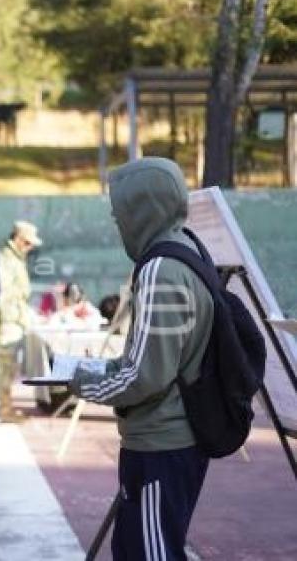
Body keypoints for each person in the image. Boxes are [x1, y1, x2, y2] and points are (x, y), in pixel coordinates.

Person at [69, 157, 214, 560]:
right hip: (175, 437)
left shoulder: (160, 270)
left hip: (161, 442)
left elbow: (143, 374)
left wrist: (83, 380)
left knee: (150, 553)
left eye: (121, 214)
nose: (118, 222)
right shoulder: (188, 249)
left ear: (142, 210)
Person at [0, 220, 40, 422]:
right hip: (7, 321)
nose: (30, 248)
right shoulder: (6, 259)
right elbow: (1, 293)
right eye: (28, 243)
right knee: (5, 365)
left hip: (14, 319)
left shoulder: (15, 258)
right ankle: (5, 409)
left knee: (10, 366)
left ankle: (6, 407)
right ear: (19, 240)